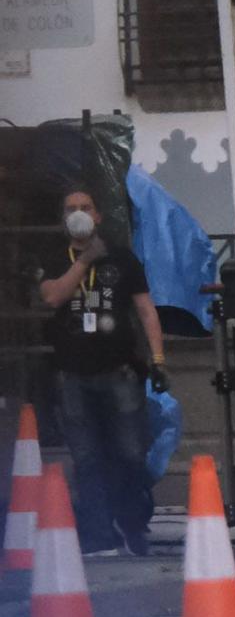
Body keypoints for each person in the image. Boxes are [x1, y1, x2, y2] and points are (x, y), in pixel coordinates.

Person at [34, 189, 168, 557]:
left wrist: (158, 360)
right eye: (71, 209)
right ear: (64, 220)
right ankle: (98, 533)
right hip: (72, 375)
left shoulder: (123, 259)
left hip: (119, 373)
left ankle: (134, 526)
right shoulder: (53, 258)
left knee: (129, 453)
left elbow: (146, 311)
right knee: (87, 458)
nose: (78, 213)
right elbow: (52, 298)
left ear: (99, 216)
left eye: (85, 208)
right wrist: (84, 262)